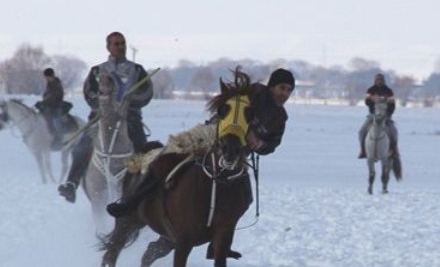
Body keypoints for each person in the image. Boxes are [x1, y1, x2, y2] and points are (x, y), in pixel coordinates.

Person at [106, 68, 295, 218]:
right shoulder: (254, 93)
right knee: (168, 156)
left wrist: (261, 144)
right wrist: (244, 130)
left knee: (245, 198)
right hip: (212, 133)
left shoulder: (280, 117)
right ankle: (130, 203)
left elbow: (272, 145)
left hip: (238, 154)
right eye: (282, 88)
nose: (284, 94)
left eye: (288, 90)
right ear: (271, 86)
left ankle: (219, 241)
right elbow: (225, 106)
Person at [57, 31, 153, 203]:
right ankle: (72, 184)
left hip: (129, 119)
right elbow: (89, 93)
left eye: (122, 43)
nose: (120, 47)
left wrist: (131, 100)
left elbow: (146, 93)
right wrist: (105, 104)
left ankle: (147, 187)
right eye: (116, 44)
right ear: (108, 47)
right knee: (82, 146)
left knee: (143, 147)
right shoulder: (96, 71)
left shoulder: (137, 71)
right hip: (100, 119)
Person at [357, 73, 399, 158]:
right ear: (375, 81)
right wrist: (372, 99)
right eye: (378, 80)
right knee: (362, 131)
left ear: (383, 81)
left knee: (394, 131)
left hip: (385, 116)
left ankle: (394, 150)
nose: (379, 82)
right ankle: (363, 150)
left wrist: (388, 114)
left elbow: (393, 105)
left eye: (381, 80)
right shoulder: (370, 90)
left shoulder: (388, 91)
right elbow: (367, 102)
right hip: (373, 116)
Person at [35, 68, 65, 148]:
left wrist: (43, 103)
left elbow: (54, 96)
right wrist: (42, 103)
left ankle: (59, 139)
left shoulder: (57, 84)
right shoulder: (49, 83)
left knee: (56, 123)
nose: (45, 78)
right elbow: (47, 96)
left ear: (50, 76)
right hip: (48, 107)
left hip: (56, 107)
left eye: (46, 77)